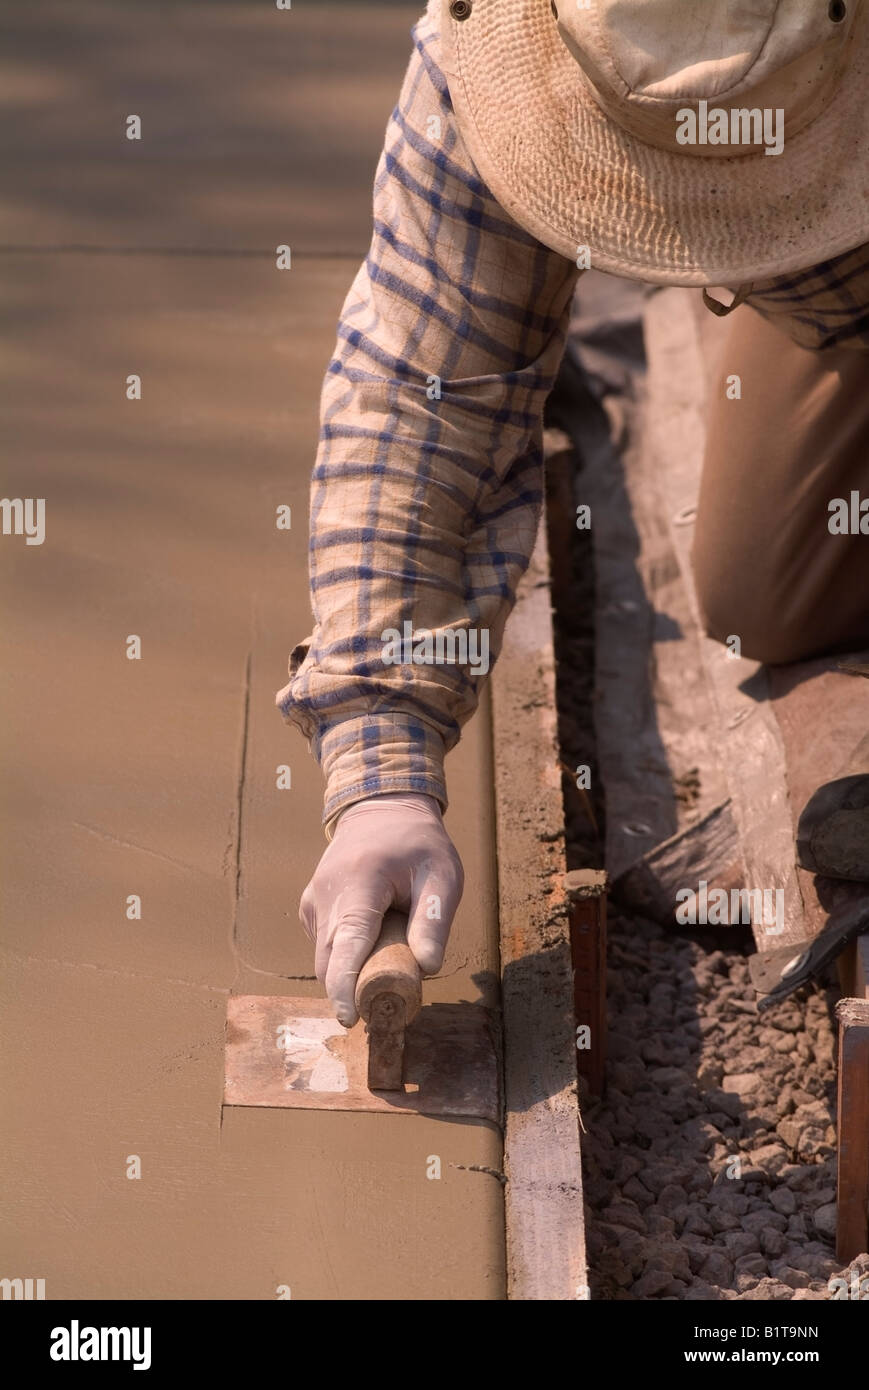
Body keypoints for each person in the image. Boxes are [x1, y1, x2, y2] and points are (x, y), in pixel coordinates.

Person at [276, 0, 869, 1025]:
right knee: (760, 587)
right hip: (827, 293)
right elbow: (422, 404)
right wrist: (382, 774)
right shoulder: (501, 44)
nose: (685, 221)